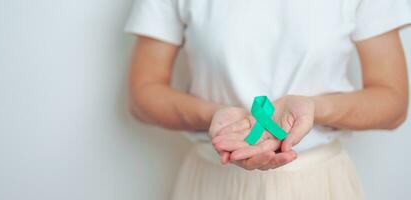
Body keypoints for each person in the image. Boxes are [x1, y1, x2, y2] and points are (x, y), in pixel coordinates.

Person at [125, 0, 411, 199]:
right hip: (213, 182)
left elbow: (393, 103)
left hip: (319, 185)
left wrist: (314, 109)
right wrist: (214, 115)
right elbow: (144, 94)